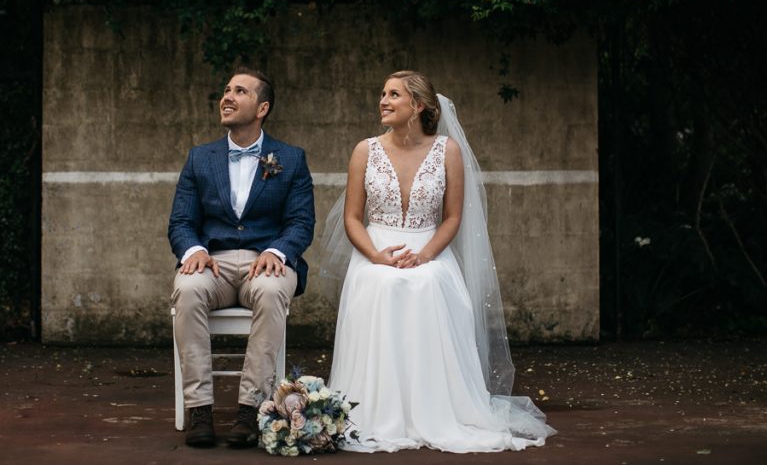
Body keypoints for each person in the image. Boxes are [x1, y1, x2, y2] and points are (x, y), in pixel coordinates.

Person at [318, 70, 555, 453]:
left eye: (393, 95)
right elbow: (351, 218)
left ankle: (435, 407)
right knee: (380, 283)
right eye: (382, 93)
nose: (383, 101)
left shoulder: (448, 150)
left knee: (429, 283)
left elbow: (453, 218)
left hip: (429, 249)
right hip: (376, 249)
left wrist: (426, 254)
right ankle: (376, 408)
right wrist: (376, 256)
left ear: (418, 106)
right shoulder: (365, 150)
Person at [168, 67, 315, 448]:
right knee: (186, 288)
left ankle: (252, 411)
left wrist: (276, 251)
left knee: (270, 292)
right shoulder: (200, 158)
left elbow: (301, 222)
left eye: (240, 91)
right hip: (212, 263)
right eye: (226, 89)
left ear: (262, 107)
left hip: (266, 260)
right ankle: (200, 410)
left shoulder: (291, 158)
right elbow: (181, 221)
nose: (227, 96)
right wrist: (195, 251)